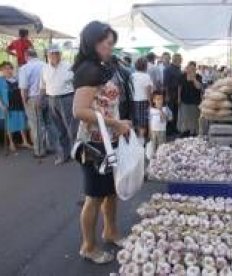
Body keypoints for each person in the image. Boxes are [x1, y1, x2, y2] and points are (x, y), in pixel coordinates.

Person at [72, 21, 129, 264]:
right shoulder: (88, 70)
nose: (111, 48)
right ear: (93, 43)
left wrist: (118, 124)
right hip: (93, 145)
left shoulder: (101, 66)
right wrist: (115, 124)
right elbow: (79, 111)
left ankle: (111, 231)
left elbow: (105, 102)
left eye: (112, 44)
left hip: (109, 141)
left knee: (111, 192)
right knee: (94, 196)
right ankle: (88, 246)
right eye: (107, 44)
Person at [40, 45, 77, 165]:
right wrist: (40, 99)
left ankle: (76, 153)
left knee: (72, 128)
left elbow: (76, 83)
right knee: (59, 130)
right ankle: (63, 155)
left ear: (60, 54)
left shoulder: (69, 66)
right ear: (48, 56)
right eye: (52, 54)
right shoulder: (44, 68)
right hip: (51, 99)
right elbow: (43, 86)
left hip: (67, 98)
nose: (54, 56)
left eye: (57, 53)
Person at [19, 49, 54, 158]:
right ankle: (51, 146)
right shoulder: (46, 65)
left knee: (36, 126)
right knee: (49, 124)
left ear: (26, 56)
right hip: (48, 96)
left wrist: (24, 100)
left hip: (33, 97)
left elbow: (23, 87)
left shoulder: (24, 68)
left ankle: (39, 151)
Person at [0, 62, 31, 152]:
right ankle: (11, 143)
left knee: (22, 122)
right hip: (7, 105)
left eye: (10, 68)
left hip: (19, 104)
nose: (8, 70)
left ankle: (25, 141)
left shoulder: (16, 79)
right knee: (9, 125)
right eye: (5, 68)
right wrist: (2, 105)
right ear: (1, 70)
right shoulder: (0, 81)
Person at [178, 61, 203, 136]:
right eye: (189, 68)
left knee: (195, 117)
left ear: (195, 69)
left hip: (195, 100)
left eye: (193, 68)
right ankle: (185, 131)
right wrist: (178, 97)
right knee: (185, 117)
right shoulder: (182, 76)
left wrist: (194, 79)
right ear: (187, 68)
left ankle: (194, 131)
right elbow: (179, 87)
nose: (191, 70)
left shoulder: (198, 76)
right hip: (184, 99)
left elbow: (199, 87)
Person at [131, 57, 153, 138]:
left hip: (133, 100)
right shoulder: (146, 76)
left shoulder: (132, 75)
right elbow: (148, 91)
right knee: (143, 122)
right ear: (145, 66)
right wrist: (150, 103)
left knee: (136, 121)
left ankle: (136, 140)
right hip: (143, 100)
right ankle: (141, 140)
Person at [110, 56, 134, 121]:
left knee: (120, 119)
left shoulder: (111, 71)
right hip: (125, 100)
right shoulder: (126, 71)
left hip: (119, 100)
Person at [164, 53, 183, 135]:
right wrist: (167, 95)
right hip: (171, 94)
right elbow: (166, 84)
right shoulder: (168, 69)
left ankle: (174, 128)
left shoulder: (178, 69)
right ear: (176, 60)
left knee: (175, 112)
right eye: (180, 59)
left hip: (176, 94)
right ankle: (169, 130)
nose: (182, 60)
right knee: (170, 112)